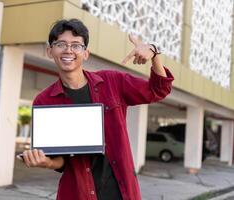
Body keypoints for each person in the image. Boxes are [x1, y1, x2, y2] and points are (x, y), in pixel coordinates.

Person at [20, 18, 174, 200]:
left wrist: (154, 53)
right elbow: (61, 161)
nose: (68, 50)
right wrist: (46, 162)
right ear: (50, 51)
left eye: (76, 45)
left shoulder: (112, 82)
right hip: (78, 194)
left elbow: (159, 89)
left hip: (122, 193)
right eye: (61, 44)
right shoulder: (45, 100)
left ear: (86, 53)